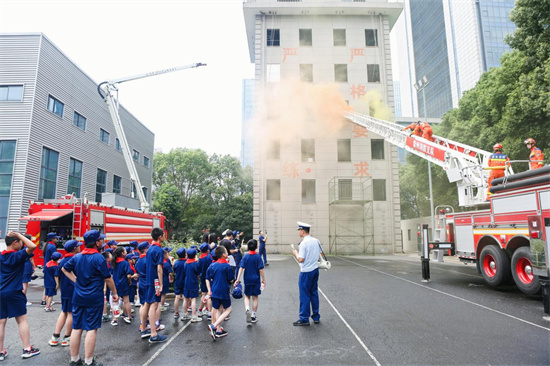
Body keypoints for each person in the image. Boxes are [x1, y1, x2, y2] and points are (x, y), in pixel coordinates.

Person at [62, 229, 118, 366]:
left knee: (77, 327)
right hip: (94, 297)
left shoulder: (77, 256)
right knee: (91, 328)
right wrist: (115, 293)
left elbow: (64, 269)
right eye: (101, 240)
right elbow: (108, 278)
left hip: (78, 296)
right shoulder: (99, 257)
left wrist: (76, 281)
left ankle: (74, 360)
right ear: (97, 242)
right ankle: (89, 361)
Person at [0, 231, 41, 361]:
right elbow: (32, 246)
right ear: (15, 242)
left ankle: (0, 352)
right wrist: (18, 234)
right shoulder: (17, 256)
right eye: (20, 242)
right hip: (15, 292)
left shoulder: (1, 256)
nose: (22, 244)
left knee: (1, 322)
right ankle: (27, 349)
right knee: (22, 320)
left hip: (0, 292)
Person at [49, 239, 82, 347]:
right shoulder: (76, 259)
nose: (80, 247)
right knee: (71, 313)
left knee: (64, 312)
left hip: (65, 290)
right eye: (78, 246)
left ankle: (55, 336)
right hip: (74, 290)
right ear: (74, 249)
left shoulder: (62, 260)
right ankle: (67, 337)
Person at [291, 222, 323, 326]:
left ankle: (304, 318)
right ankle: (316, 316)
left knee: (304, 295)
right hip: (315, 270)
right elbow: (321, 253)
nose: (298, 232)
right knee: (314, 293)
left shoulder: (304, 243)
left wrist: (295, 253)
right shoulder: (316, 240)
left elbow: (301, 259)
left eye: (299, 230)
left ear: (303, 231)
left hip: (306, 272)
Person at [142, 228, 167, 344]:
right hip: (155, 281)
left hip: (148, 280)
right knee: (154, 305)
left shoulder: (150, 249)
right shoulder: (158, 250)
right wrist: (161, 284)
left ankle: (144, 329)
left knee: (147, 303)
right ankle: (153, 334)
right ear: (160, 236)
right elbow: (159, 269)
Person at [205, 246, 234, 340]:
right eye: (226, 251)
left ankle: (218, 329)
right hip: (223, 290)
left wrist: (209, 290)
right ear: (223, 255)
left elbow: (208, 277)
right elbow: (231, 279)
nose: (227, 253)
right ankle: (214, 326)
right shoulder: (227, 266)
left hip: (214, 290)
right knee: (228, 310)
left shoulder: (212, 265)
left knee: (218, 309)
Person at [235, 239, 265, 324]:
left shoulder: (245, 256)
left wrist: (237, 279)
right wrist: (263, 280)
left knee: (247, 296)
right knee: (255, 298)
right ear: (256, 247)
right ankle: (253, 315)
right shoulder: (258, 257)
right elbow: (261, 270)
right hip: (256, 280)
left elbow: (241, 267)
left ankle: (247, 309)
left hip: (247, 279)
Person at [111, 247, 133, 326]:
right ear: (122, 253)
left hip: (114, 284)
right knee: (126, 301)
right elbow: (128, 275)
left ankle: (115, 319)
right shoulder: (125, 263)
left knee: (115, 302)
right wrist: (130, 280)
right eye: (125, 251)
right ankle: (129, 316)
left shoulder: (113, 263)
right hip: (123, 283)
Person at [135, 242, 150, 336]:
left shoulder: (138, 261)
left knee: (142, 304)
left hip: (141, 283)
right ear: (145, 250)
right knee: (147, 305)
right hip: (147, 283)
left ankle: (142, 323)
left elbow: (137, 271)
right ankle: (145, 326)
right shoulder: (147, 260)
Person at [183, 248, 201, 322]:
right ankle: (194, 315)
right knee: (193, 299)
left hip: (186, 283)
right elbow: (198, 272)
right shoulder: (195, 264)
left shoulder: (185, 263)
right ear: (195, 255)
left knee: (185, 299)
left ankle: (185, 314)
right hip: (193, 282)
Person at [42, 232, 58, 306]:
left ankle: (44, 299)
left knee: (46, 284)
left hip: (46, 266)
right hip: (51, 267)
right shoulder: (52, 247)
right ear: (53, 239)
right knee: (51, 285)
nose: (57, 239)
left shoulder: (46, 245)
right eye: (55, 238)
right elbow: (55, 257)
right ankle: (48, 303)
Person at [198, 243, 213, 319]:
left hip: (202, 277)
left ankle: (201, 309)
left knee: (204, 294)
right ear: (207, 250)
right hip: (208, 277)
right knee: (209, 295)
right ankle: (209, 312)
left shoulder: (200, 258)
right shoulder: (208, 258)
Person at [22, 234, 36, 307]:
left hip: (21, 266)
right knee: (25, 284)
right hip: (27, 266)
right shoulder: (28, 248)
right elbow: (31, 258)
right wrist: (34, 266)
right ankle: (23, 301)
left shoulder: (20, 247)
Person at [172, 248, 186, 319]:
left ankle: (176, 312)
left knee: (177, 297)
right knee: (184, 297)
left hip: (178, 281)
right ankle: (184, 312)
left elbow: (174, 271)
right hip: (185, 281)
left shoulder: (176, 263)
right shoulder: (186, 262)